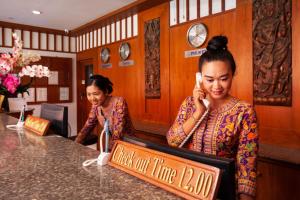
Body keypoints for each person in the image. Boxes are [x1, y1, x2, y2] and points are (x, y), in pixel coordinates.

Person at [167, 36, 258, 200]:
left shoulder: (244, 111)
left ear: (232, 74)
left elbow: (247, 160)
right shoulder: (189, 104)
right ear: (200, 78)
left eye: (224, 79)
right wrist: (199, 111)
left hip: (222, 190)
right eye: (209, 80)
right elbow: (172, 141)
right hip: (186, 185)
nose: (216, 86)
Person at [75, 75, 134, 149]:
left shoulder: (119, 102)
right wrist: (75, 144)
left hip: (128, 146)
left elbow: (117, 133)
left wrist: (108, 154)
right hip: (114, 145)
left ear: (105, 91)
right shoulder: (96, 106)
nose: (92, 98)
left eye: (96, 94)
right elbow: (88, 126)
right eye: (89, 94)